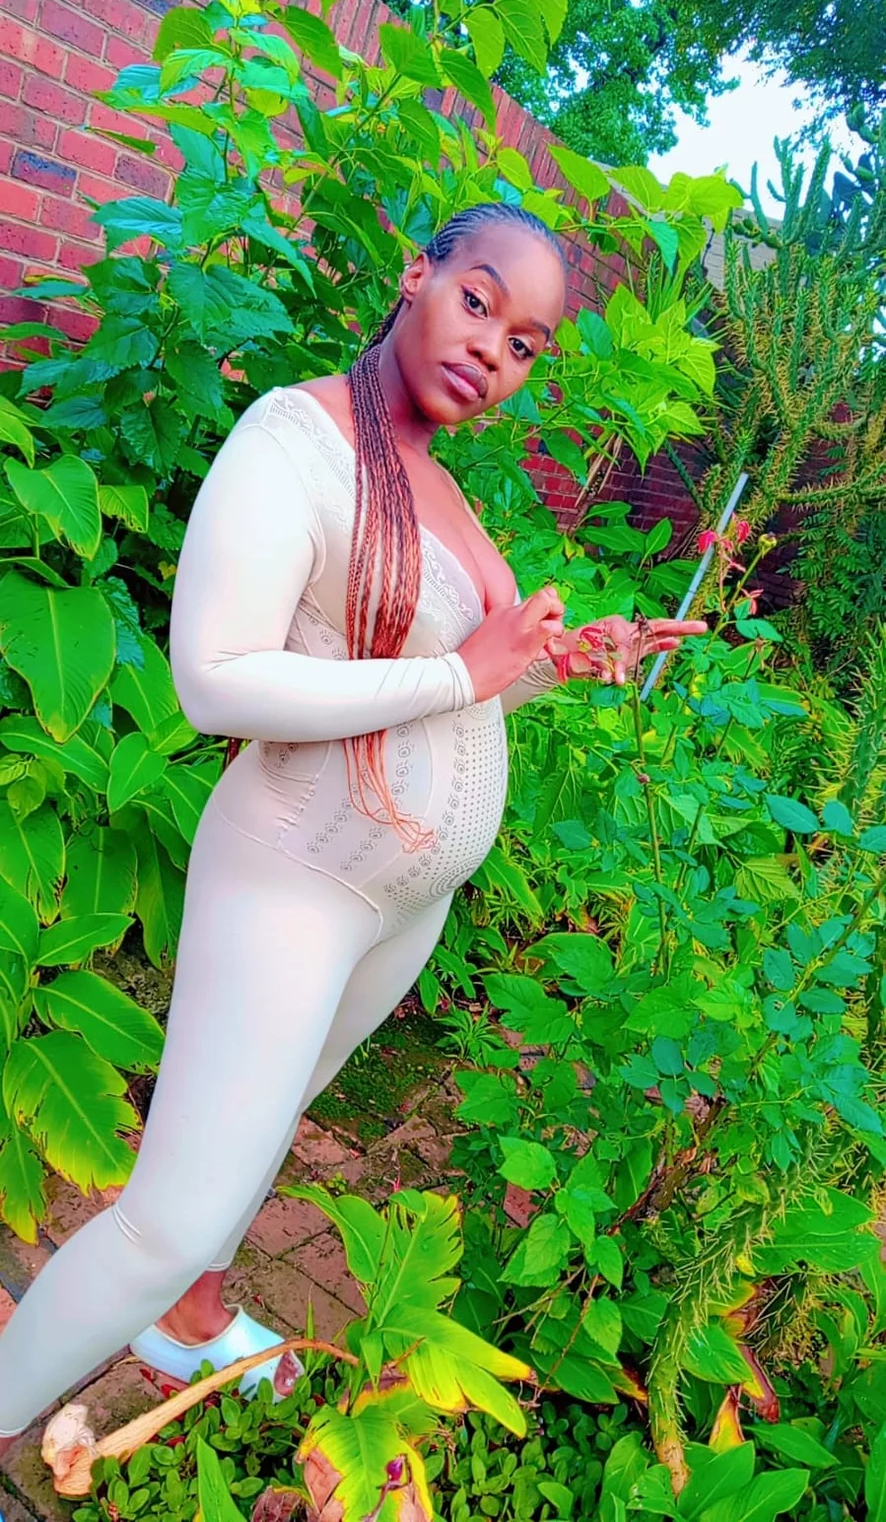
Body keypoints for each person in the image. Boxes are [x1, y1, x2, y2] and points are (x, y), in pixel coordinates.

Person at [0, 203, 704, 1443]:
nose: (492, 350)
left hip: (399, 903)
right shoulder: (296, 439)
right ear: (417, 273)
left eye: (524, 344)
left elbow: (459, 682)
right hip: (293, 878)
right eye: (478, 302)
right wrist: (467, 669)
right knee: (169, 1212)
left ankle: (189, 1322)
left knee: (269, 1126)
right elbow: (217, 678)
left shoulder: (440, 485)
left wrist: (558, 660)